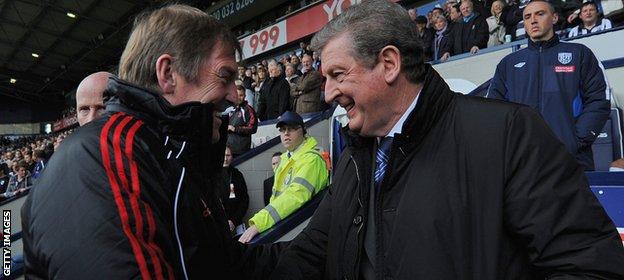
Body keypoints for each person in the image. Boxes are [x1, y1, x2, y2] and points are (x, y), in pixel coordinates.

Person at [270, 1, 624, 279]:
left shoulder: (509, 135)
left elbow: (590, 265)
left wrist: (577, 139)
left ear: (390, 64)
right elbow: (311, 253)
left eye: (337, 74)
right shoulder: (355, 159)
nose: (328, 93)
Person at [22, 5, 279, 279]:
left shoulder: (169, 155)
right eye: (225, 76)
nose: (233, 95)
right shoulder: (103, 157)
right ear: (167, 73)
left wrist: (324, 238)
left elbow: (227, 266)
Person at [488, 0, 611, 170]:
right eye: (527, 16)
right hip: (523, 165)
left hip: (571, 162)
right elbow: (494, 110)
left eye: (540, 14)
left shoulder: (580, 54)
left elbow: (599, 99)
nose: (533, 20)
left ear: (554, 18)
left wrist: (576, 141)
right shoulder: (508, 64)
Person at [239, 111, 328, 243]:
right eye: (282, 129)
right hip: (284, 223)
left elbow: (294, 196)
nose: (286, 133)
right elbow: (276, 198)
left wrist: (260, 222)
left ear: (303, 131)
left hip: (301, 232)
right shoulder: (285, 158)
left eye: (292, 128)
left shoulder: (311, 160)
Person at [221, 146, 250, 232]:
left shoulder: (237, 175)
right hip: (218, 224)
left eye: (228, 155)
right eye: (223, 155)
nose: (225, 159)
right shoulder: (212, 176)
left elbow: (244, 200)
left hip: (236, 224)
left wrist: (233, 221)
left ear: (232, 157)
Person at [227, 85, 258, 156]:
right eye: (237, 95)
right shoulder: (229, 109)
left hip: (241, 151)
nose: (239, 98)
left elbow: (253, 128)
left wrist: (235, 129)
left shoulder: (248, 110)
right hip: (228, 150)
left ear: (245, 96)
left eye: (241, 95)